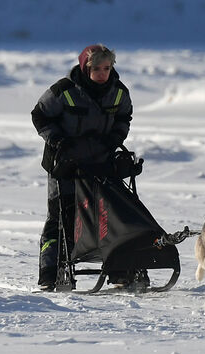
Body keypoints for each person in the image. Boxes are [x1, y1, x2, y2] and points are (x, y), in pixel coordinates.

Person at [31, 44, 132, 291]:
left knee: (111, 214)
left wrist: (115, 138)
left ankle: (121, 271)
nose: (102, 73)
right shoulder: (63, 90)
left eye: (107, 68)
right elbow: (39, 115)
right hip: (65, 164)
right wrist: (58, 141)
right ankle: (49, 274)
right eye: (96, 68)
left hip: (100, 162)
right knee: (61, 218)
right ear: (86, 68)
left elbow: (123, 117)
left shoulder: (118, 92)